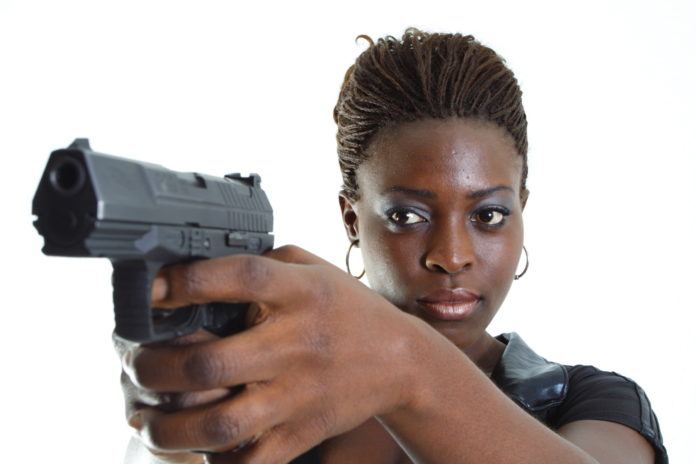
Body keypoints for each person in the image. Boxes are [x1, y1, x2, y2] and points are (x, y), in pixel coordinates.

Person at [118, 29, 668, 463]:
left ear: (521, 212)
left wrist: (407, 365)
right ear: (351, 220)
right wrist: (174, 445)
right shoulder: (268, 400)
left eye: (489, 215)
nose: (451, 255)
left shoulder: (591, 401)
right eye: (407, 216)